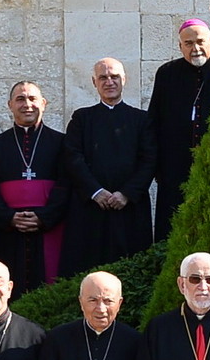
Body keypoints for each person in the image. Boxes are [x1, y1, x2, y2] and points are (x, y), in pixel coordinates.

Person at [0, 81, 76, 289]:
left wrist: (44, 217)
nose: (27, 104)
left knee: (50, 283)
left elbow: (67, 185)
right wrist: (9, 217)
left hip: (51, 227)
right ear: (10, 105)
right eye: (20, 99)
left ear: (44, 103)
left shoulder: (61, 142)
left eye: (32, 99)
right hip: (8, 230)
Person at [63, 57, 158, 272]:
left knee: (132, 268)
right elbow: (72, 157)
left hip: (130, 209)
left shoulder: (141, 120)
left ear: (124, 79)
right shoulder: (81, 119)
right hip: (91, 208)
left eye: (114, 76)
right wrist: (96, 192)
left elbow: (149, 160)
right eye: (103, 77)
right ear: (94, 82)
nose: (109, 82)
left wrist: (126, 193)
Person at [149, 19, 210, 241]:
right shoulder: (167, 73)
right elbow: (154, 121)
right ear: (180, 47)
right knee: (172, 232)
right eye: (188, 43)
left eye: (200, 41)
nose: (195, 48)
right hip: (174, 169)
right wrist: (158, 168)